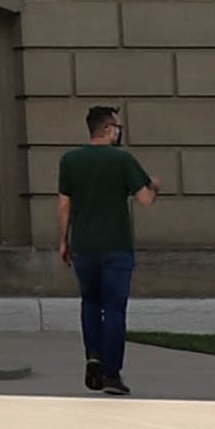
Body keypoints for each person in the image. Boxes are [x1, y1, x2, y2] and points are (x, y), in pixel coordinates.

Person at [54, 101, 158, 396]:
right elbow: (145, 200)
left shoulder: (70, 160)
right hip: (116, 245)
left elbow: (64, 205)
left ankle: (93, 356)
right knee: (114, 308)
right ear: (109, 129)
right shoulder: (122, 160)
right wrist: (156, 186)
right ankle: (112, 372)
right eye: (117, 127)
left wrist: (64, 240)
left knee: (89, 302)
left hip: (84, 245)